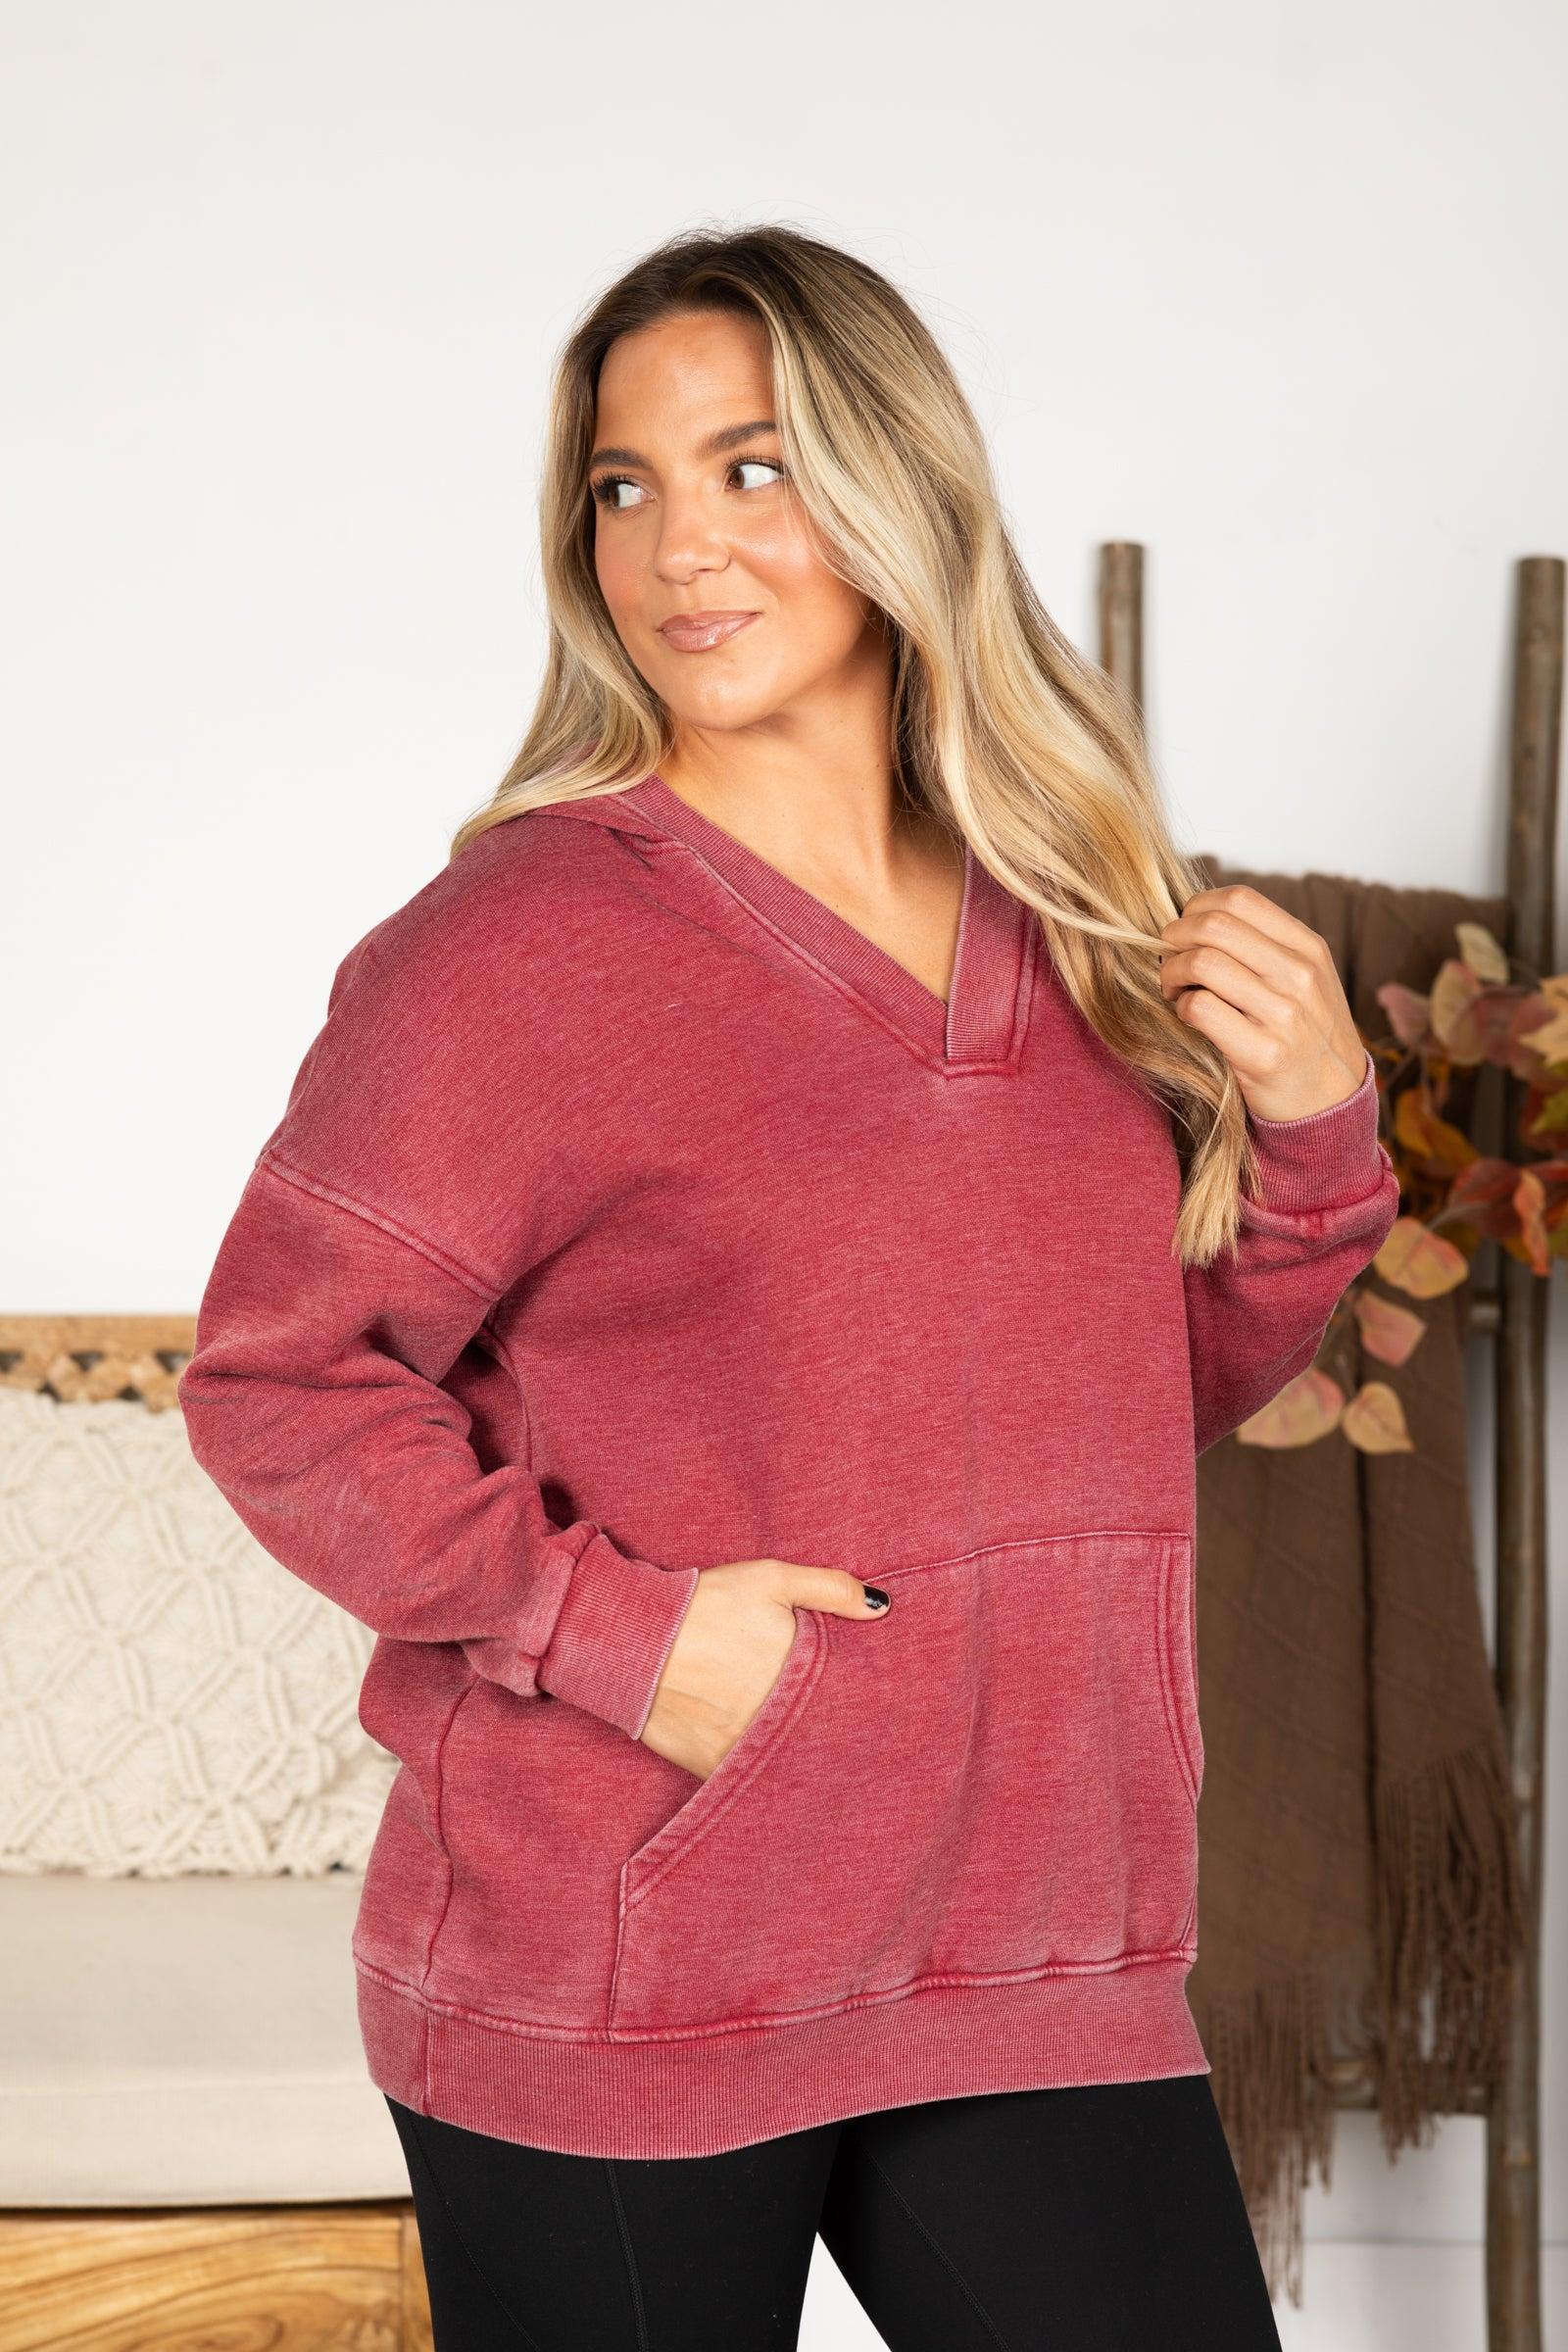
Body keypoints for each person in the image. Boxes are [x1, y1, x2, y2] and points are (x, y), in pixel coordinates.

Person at [177, 223, 1399, 2348]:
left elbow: (1115, 1390)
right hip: (626, 1945)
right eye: (623, 486)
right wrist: (625, 1641)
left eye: (751, 467)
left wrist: (1312, 1146)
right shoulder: (517, 951)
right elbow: (275, 1383)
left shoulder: (1075, 916)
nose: (679, 547)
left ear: (895, 484)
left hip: (1032, 1938)